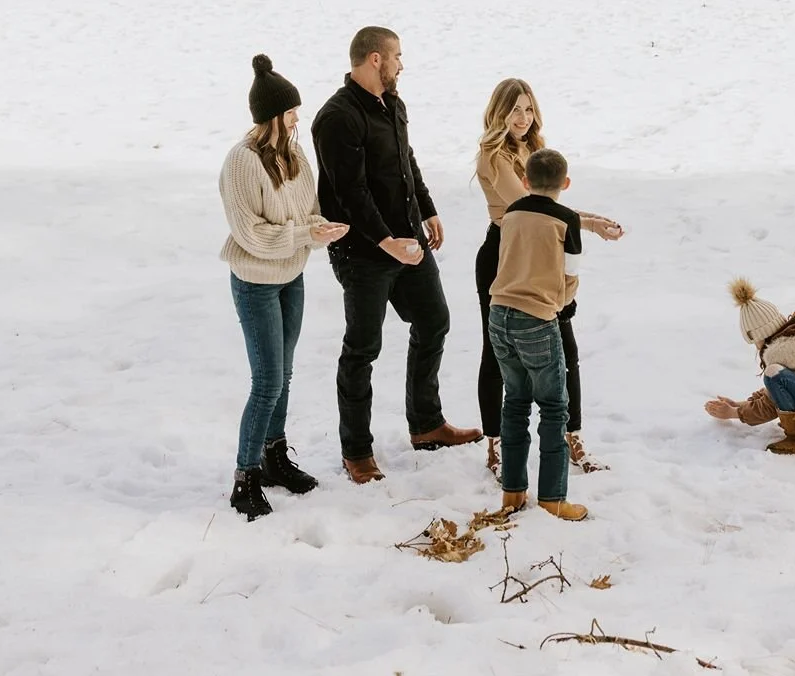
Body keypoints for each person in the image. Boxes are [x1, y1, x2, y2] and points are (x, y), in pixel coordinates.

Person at [312, 26, 482, 483]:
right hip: (362, 251)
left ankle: (426, 425)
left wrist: (426, 209)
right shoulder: (337, 118)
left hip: (407, 239)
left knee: (434, 321)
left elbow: (406, 160)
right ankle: (357, 452)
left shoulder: (393, 103)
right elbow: (350, 192)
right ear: (374, 59)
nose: (402, 64)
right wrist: (384, 240)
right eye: (397, 57)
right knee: (363, 349)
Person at [219, 54, 348, 521]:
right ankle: (245, 477)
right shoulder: (240, 163)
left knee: (284, 374)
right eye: (291, 112)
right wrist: (304, 236)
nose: (298, 119)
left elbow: (307, 211)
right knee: (268, 379)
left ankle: (274, 458)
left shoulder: (294, 158)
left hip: (290, 278)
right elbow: (249, 233)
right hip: (255, 283)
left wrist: (321, 228)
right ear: (272, 116)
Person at [475, 78, 622, 477]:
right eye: (515, 110)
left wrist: (584, 223)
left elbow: (550, 204)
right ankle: (497, 443)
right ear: (499, 113)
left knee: (565, 346)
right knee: (498, 352)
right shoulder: (492, 154)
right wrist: (587, 223)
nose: (523, 118)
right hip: (505, 254)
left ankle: (571, 436)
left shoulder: (534, 148)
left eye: (528, 109)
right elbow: (528, 206)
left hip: (544, 250)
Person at [489, 147, 622, 522]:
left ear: (526, 182)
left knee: (514, 401)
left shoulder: (512, 213)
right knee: (553, 407)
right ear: (565, 184)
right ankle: (553, 496)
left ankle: (513, 492)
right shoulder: (567, 221)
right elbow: (570, 274)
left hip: (498, 313)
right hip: (537, 319)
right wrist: (558, 304)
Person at [704, 278, 795, 455]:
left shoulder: (787, 354)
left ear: (760, 336)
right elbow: (777, 393)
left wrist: (733, 413)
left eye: (754, 342)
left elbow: (770, 404)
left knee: (773, 374)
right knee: (775, 375)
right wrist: (739, 405)